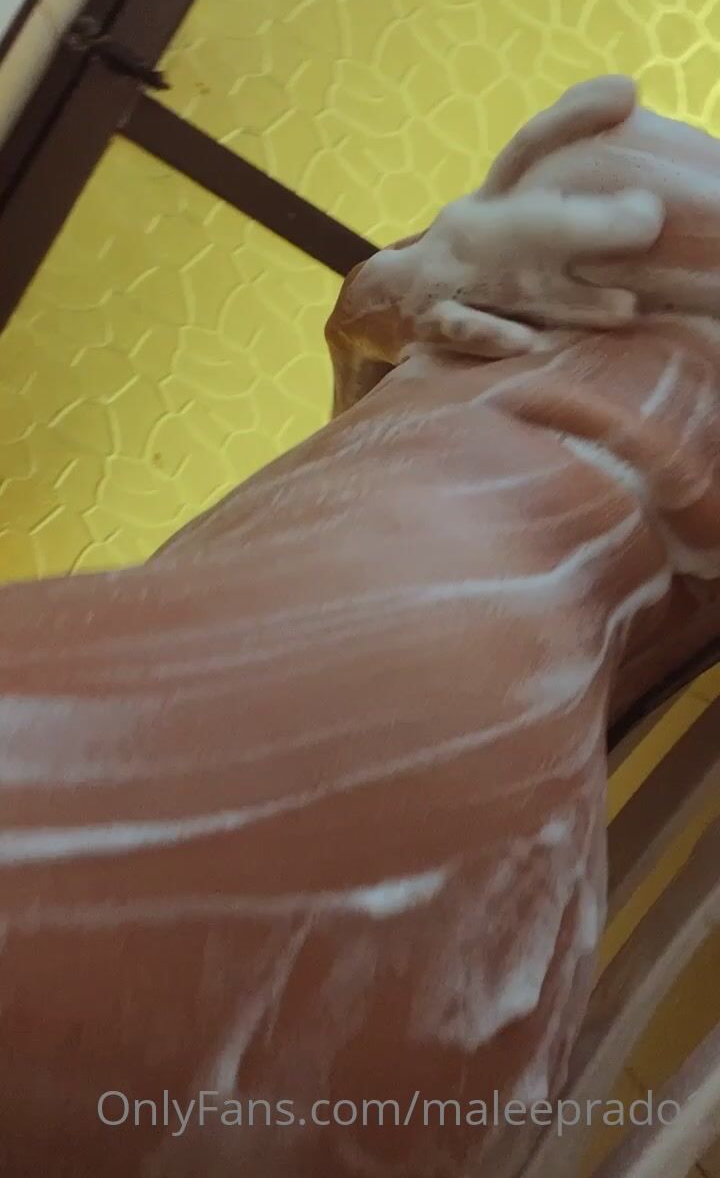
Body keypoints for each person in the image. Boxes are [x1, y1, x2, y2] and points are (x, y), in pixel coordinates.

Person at [0, 76, 718, 1178]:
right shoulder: (642, 151)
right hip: (447, 745)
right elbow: (381, 341)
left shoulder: (644, 164)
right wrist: (419, 285)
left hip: (407, 675)